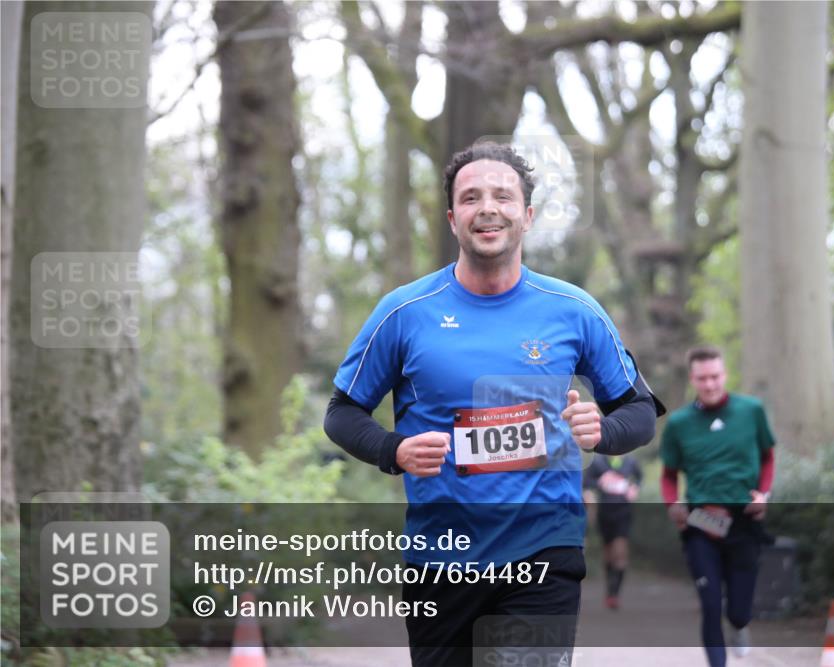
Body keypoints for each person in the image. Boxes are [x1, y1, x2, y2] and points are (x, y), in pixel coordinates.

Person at [325, 141, 662, 667]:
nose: (488, 207)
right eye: (471, 197)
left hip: (542, 552)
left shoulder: (574, 311)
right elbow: (341, 413)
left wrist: (604, 431)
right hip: (440, 561)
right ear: (452, 218)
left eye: (503, 197)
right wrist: (395, 450)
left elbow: (638, 411)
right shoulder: (405, 312)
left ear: (526, 216)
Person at [660, 346, 776, 666]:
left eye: (714, 377)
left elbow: (768, 456)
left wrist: (764, 494)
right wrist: (673, 504)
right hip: (702, 522)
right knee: (710, 605)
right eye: (702, 378)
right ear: (692, 379)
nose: (709, 384)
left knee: (738, 611)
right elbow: (669, 475)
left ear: (724, 375)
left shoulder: (751, 411)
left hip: (744, 522)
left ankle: (740, 625)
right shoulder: (679, 423)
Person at [582, 453, 642, 610]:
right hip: (605, 512)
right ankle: (610, 590)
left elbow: (639, 478)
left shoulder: (631, 461)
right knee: (608, 553)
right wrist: (600, 483)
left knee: (620, 551)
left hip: (624, 512)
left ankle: (615, 593)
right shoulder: (598, 462)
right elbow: (587, 483)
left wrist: (635, 488)